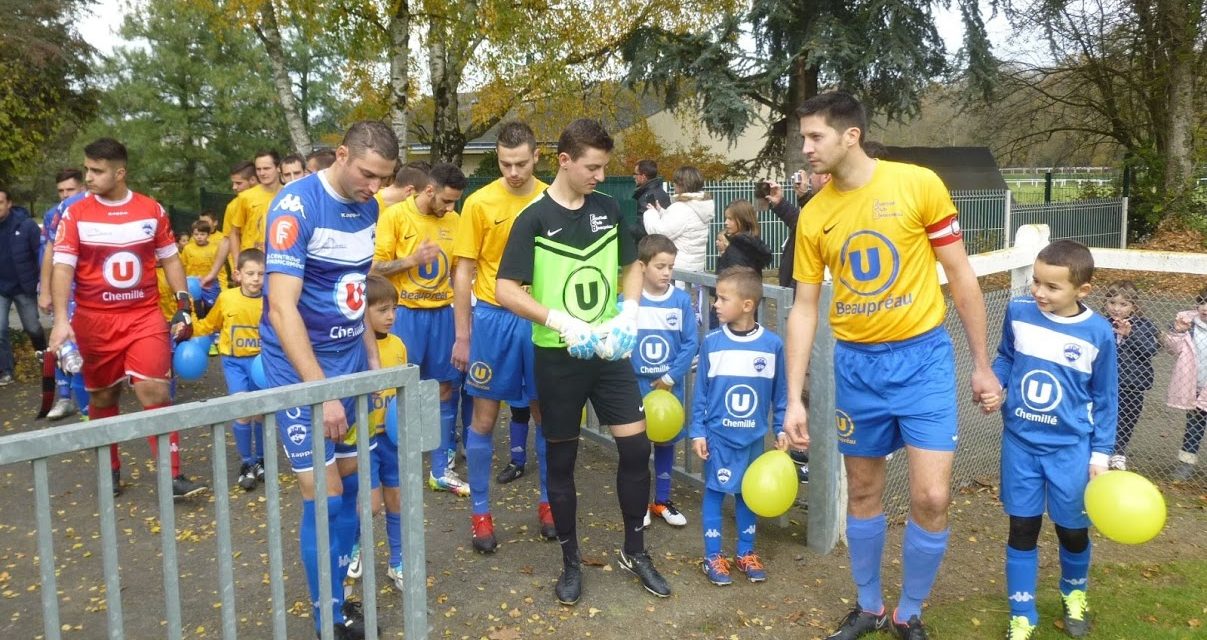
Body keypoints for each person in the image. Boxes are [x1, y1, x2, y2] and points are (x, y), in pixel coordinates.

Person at [782, 92, 996, 640]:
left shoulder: (917, 183)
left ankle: (911, 610)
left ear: (850, 136)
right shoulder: (814, 215)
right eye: (802, 137)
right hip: (857, 368)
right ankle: (870, 606)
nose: (804, 148)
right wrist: (793, 398)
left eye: (815, 137)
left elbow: (962, 275)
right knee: (862, 492)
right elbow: (805, 306)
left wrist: (981, 363)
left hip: (922, 361)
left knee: (931, 496)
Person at [497, 118, 671, 605]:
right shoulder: (532, 218)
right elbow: (505, 289)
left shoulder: (610, 208)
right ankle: (571, 562)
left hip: (608, 353)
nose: (599, 175)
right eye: (592, 167)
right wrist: (558, 321)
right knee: (562, 460)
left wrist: (631, 313)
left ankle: (635, 552)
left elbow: (630, 265)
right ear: (565, 161)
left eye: (605, 167)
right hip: (558, 356)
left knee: (637, 452)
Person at [260, 121, 398, 639]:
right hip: (301, 373)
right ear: (341, 155)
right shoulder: (295, 208)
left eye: (384, 179)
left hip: (349, 365)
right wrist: (323, 394)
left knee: (353, 490)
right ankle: (325, 616)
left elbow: (356, 289)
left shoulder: (370, 205)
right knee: (326, 498)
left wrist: (371, 360)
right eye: (368, 174)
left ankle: (338, 599)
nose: (375, 187)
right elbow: (280, 307)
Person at [47, 137, 208, 500]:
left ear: (120, 173)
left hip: (143, 316)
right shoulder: (75, 213)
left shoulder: (151, 210)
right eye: (87, 168)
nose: (88, 176)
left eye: (96, 170)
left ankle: (172, 477)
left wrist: (183, 303)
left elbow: (170, 258)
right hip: (94, 320)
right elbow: (62, 267)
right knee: (103, 397)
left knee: (154, 389)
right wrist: (61, 319)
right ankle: (111, 471)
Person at [981, 239, 1117, 640]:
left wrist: (1101, 454)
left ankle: (1074, 596)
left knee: (1072, 531)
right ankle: (1022, 613)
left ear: (1082, 290)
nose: (1039, 292)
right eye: (1036, 282)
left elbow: (1106, 399)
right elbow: (1006, 355)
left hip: (1071, 451)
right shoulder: (1018, 312)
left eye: (1052, 287)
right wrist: (996, 382)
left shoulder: (1098, 333)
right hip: (1020, 445)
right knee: (1021, 528)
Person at [450, 121, 553, 552]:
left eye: (521, 163)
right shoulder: (478, 203)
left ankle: (550, 503)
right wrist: (462, 335)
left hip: (540, 318)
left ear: (536, 157)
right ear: (497, 158)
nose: (513, 172)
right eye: (506, 163)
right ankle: (480, 512)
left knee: (547, 415)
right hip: (493, 320)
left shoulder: (553, 198)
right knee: (485, 419)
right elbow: (464, 271)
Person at [372, 162, 468, 497]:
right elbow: (375, 267)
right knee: (399, 390)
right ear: (429, 190)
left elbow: (459, 270)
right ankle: (395, 467)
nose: (449, 208)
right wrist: (411, 261)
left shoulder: (455, 221)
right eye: (446, 200)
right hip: (406, 317)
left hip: (441, 315)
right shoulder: (395, 216)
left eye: (455, 202)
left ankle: (441, 469)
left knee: (444, 389)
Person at [690, 266, 787, 586]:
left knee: (748, 494)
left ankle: (746, 553)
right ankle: (713, 555)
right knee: (715, 492)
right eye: (716, 297)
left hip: (753, 439)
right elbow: (700, 392)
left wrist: (781, 428)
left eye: (722, 298)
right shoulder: (712, 343)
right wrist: (697, 431)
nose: (716, 304)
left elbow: (780, 393)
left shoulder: (772, 345)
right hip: (718, 437)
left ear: (747, 305)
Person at [345, 274, 409, 590]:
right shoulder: (354, 349)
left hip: (391, 440)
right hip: (363, 439)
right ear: (363, 312)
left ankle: (397, 562)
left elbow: (403, 395)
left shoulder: (398, 346)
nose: (391, 316)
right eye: (383, 309)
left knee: (395, 499)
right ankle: (353, 549)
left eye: (394, 309)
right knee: (368, 504)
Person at [630, 234, 697, 528]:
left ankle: (663, 500)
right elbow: (622, 342)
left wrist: (670, 377)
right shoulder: (629, 301)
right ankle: (641, 501)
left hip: (669, 387)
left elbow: (691, 343)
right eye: (660, 266)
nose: (667, 273)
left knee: (666, 441)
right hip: (638, 387)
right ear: (642, 266)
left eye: (670, 266)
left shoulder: (681, 301)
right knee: (639, 445)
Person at [191, 249, 266, 490]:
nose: (256, 279)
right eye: (251, 273)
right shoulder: (227, 298)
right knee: (242, 410)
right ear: (238, 275)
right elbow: (210, 324)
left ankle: (262, 461)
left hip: (261, 364)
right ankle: (247, 462)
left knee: (261, 413)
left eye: (261, 274)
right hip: (234, 362)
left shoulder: (271, 300)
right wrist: (189, 329)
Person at [36, 169, 90, 419]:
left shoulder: (90, 208)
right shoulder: (52, 215)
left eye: (70, 190)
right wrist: (44, 290)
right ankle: (65, 398)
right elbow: (48, 252)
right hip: (62, 290)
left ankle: (90, 405)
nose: (65, 195)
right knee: (61, 343)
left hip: (87, 289)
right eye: (61, 191)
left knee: (82, 346)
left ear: (82, 188)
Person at [1101, 280, 1159, 471]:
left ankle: (1118, 453)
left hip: (1132, 384)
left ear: (1134, 306)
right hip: (1105, 382)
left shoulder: (1144, 325)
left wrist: (1130, 334)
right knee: (1102, 415)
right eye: (1112, 303)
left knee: (1126, 419)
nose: (1116, 309)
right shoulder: (1100, 324)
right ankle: (1102, 450)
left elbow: (1150, 350)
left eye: (1123, 304)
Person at [0, 186, 47, 386]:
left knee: (33, 327)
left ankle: (46, 361)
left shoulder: (26, 226)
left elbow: (41, 255)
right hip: (0, 289)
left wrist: (42, 283)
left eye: (0, 202)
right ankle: (6, 371)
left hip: (23, 286)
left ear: (9, 204)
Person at [1165, 286, 1207, 482]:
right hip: (1195, 386)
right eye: (1202, 302)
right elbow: (1172, 348)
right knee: (1194, 427)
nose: (1205, 308)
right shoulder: (1189, 324)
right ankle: (1186, 464)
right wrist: (1177, 331)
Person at [762, 171, 830, 290]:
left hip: (807, 290)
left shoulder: (831, 206)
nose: (810, 177)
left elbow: (811, 226)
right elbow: (801, 224)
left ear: (825, 177)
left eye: (813, 172)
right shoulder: (825, 205)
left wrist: (794, 291)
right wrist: (780, 203)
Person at [642, 166, 712, 274]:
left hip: (680, 270)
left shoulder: (681, 208)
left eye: (675, 182)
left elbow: (660, 233)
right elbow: (683, 225)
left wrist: (651, 213)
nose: (673, 184)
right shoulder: (699, 205)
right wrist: (660, 211)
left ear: (681, 184)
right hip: (696, 266)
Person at [201, 161, 257, 286]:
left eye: (239, 183)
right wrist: (213, 273)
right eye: (233, 183)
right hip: (243, 272)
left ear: (253, 180)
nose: (234, 187)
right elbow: (227, 240)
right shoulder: (232, 206)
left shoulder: (271, 200)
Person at [227, 149, 282, 255]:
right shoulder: (245, 197)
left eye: (266, 168)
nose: (262, 173)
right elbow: (234, 233)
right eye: (258, 169)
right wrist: (238, 264)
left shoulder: (289, 194)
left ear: (278, 168)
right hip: (251, 261)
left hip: (279, 258)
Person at [715, 199, 772, 275]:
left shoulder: (737, 249)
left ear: (743, 220)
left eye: (730, 219)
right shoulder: (751, 244)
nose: (726, 222)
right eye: (726, 218)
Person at [180, 220, 224, 315]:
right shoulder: (188, 248)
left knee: (212, 310)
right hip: (192, 285)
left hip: (210, 285)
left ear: (208, 235)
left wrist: (223, 287)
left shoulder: (215, 248)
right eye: (196, 234)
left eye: (202, 234)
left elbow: (221, 270)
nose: (199, 237)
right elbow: (182, 267)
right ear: (192, 235)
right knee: (195, 310)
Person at [630, 159, 671, 242]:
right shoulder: (659, 191)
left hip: (651, 246)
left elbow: (642, 228)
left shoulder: (648, 196)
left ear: (643, 176)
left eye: (635, 174)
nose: (633, 177)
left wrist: (624, 230)